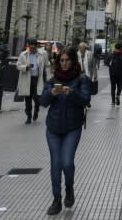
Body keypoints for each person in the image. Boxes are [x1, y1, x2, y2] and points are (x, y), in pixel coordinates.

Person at [39, 46, 91, 215]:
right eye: (61, 60)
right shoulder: (52, 80)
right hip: (53, 128)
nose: (64, 63)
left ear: (73, 61)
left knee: (67, 163)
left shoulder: (82, 79)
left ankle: (69, 187)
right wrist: (52, 93)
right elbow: (43, 102)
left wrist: (71, 93)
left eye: (67, 60)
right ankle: (56, 199)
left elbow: (85, 100)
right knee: (56, 163)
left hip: (72, 127)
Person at [16, 38, 49, 124]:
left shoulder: (43, 54)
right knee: (28, 99)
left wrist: (48, 77)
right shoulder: (23, 55)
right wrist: (26, 67)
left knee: (37, 98)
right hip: (27, 79)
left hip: (37, 79)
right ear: (28, 46)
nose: (32, 49)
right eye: (31, 47)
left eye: (34, 47)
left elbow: (47, 65)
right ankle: (29, 116)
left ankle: (36, 110)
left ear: (37, 46)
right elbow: (18, 66)